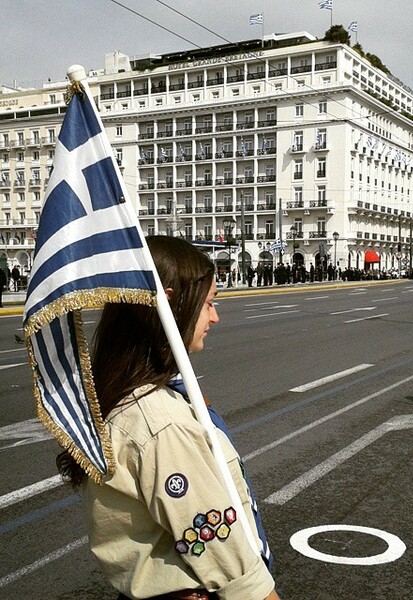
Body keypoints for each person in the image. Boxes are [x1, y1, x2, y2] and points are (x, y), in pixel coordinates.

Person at [57, 236, 279, 600]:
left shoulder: (133, 395)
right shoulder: (159, 423)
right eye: (208, 304)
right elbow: (230, 565)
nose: (215, 317)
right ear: (170, 305)